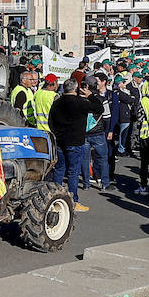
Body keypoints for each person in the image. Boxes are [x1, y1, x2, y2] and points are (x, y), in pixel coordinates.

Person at [47, 78, 103, 211]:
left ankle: (54, 200)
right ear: (76, 89)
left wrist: (57, 134)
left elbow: (50, 122)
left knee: (60, 170)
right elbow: (99, 108)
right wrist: (92, 96)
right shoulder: (80, 102)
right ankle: (73, 201)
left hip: (60, 141)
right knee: (73, 172)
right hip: (75, 141)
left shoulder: (57, 102)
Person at [85, 73, 112, 191]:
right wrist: (106, 131)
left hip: (84, 132)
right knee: (102, 158)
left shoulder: (80, 99)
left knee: (85, 159)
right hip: (98, 132)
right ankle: (105, 183)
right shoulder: (101, 99)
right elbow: (107, 117)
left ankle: (86, 183)